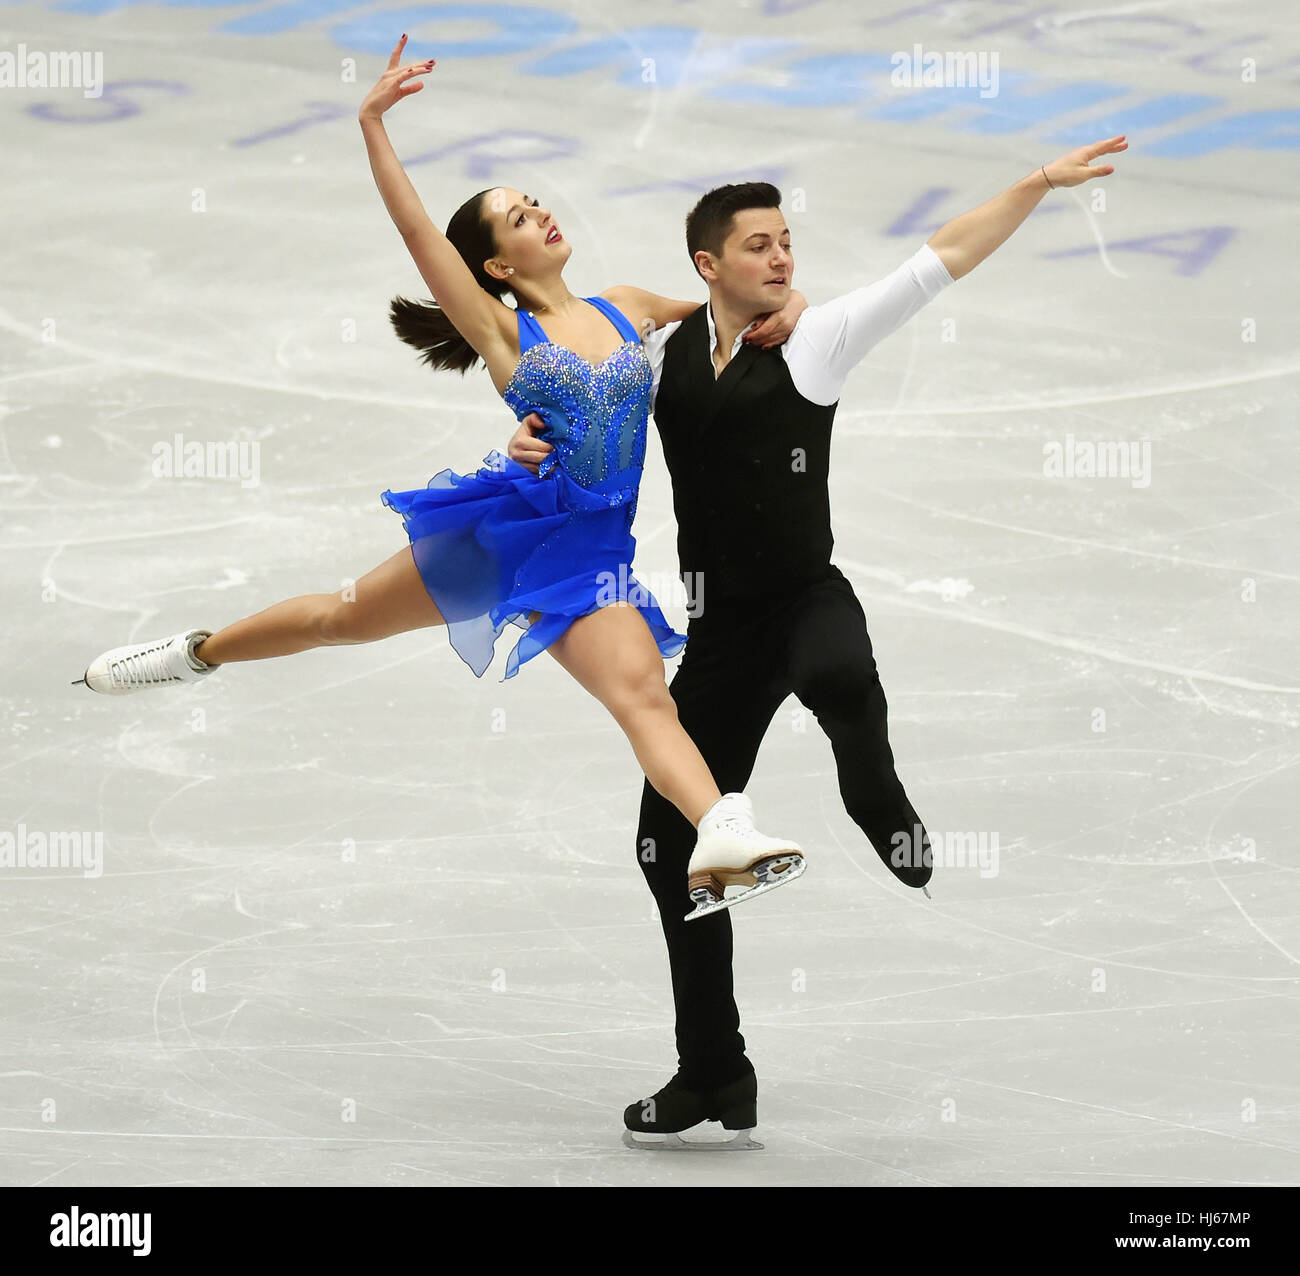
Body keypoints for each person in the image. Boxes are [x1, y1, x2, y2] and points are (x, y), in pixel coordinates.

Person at [71, 37, 816, 917]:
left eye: (534, 202)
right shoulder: (503, 333)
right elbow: (419, 231)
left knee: (643, 694)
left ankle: (724, 834)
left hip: (587, 555)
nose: (539, 215)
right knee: (341, 619)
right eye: (516, 219)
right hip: (503, 530)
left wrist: (792, 301)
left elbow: (746, 308)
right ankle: (195, 653)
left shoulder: (631, 306)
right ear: (498, 267)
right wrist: (371, 122)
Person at [508, 136, 1128, 1146]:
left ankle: (874, 795)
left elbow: (939, 260)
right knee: (670, 845)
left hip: (805, 600)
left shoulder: (818, 337)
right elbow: (578, 396)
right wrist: (527, 438)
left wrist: (1032, 184)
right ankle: (714, 1069)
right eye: (758, 247)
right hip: (719, 634)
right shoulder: (660, 352)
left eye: (787, 243)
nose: (782, 260)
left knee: (838, 672)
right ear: (709, 266)